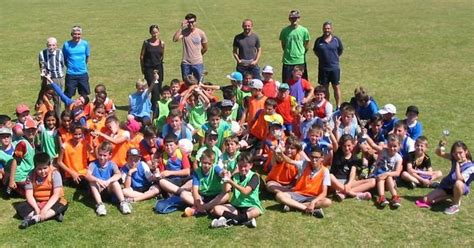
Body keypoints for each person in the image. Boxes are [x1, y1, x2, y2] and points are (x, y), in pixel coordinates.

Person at [416, 141, 473, 215]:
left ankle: (455, 205)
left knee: (458, 183)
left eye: (460, 152)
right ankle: (449, 196)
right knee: (425, 200)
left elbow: (459, 178)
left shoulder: (471, 166)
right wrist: (440, 146)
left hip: (460, 187)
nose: (458, 155)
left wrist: (457, 164)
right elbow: (439, 153)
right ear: (453, 153)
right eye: (455, 153)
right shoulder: (454, 158)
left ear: (466, 151)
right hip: (447, 186)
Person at [14, 153, 68, 229]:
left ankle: (33, 219)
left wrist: (45, 209)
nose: (42, 171)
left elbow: (56, 195)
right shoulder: (30, 175)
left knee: (63, 203)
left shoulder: (55, 174)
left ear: (50, 165)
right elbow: (29, 195)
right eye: (39, 169)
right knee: (20, 207)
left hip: (53, 201)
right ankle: (52, 215)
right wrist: (36, 208)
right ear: (35, 167)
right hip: (38, 202)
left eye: (45, 168)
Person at [275, 147, 332, 218]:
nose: (314, 160)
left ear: (322, 158)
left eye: (317, 157)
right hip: (298, 194)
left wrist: (313, 202)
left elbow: (324, 193)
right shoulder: (304, 164)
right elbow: (290, 161)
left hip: (313, 197)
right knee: (279, 195)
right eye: (312, 157)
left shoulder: (325, 171)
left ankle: (292, 206)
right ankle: (306, 208)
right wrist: (282, 154)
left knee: (327, 202)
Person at [210, 152, 263, 228]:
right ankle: (245, 221)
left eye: (245, 166)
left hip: (250, 206)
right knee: (216, 209)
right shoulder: (235, 176)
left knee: (256, 211)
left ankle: (230, 220)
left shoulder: (254, 176)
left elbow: (246, 191)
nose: (242, 168)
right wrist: (226, 179)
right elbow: (226, 190)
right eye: (240, 166)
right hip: (236, 206)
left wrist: (231, 181)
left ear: (251, 165)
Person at [85, 141, 132, 216]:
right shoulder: (93, 164)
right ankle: (100, 205)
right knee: (92, 182)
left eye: (104, 155)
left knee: (115, 182)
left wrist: (109, 181)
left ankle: (123, 203)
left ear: (110, 155)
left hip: (108, 189)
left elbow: (118, 174)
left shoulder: (112, 164)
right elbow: (87, 175)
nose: (102, 157)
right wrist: (98, 180)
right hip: (97, 189)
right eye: (100, 155)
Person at [180, 149, 229, 217]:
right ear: (200, 161)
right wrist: (199, 203)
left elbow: (221, 173)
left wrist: (224, 173)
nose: (206, 165)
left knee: (226, 195)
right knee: (183, 194)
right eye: (204, 163)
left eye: (209, 163)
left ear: (213, 163)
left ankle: (200, 208)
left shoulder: (215, 168)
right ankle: (206, 208)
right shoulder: (197, 172)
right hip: (202, 196)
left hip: (215, 195)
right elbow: (195, 191)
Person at [313, 21, 343, 108]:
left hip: (334, 68)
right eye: (325, 28)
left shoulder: (336, 40)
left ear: (331, 29)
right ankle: (327, 106)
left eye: (328, 28)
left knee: (336, 87)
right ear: (323, 29)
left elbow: (340, 51)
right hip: (323, 69)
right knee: (324, 89)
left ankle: (338, 106)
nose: (327, 30)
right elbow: (316, 51)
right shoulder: (318, 40)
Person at [173, 13, 208, 81]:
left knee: (199, 84)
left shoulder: (201, 33)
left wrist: (198, 55)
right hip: (186, 64)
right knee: (186, 84)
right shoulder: (184, 32)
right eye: (188, 22)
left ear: (195, 22)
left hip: (198, 63)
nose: (191, 24)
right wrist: (181, 27)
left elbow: (205, 47)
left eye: (192, 22)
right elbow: (175, 39)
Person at [279, 10, 310, 83]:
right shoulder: (284, 31)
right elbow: (283, 45)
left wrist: (301, 52)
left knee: (302, 83)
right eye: (292, 18)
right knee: (287, 83)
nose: (294, 20)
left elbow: (307, 45)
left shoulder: (304, 30)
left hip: (300, 61)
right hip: (288, 61)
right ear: (289, 19)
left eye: (296, 18)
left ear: (299, 18)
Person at [140, 24, 165, 117]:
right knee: (154, 89)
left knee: (158, 89)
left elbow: (162, 55)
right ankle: (155, 110)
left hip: (159, 68)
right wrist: (142, 68)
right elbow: (142, 56)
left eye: (156, 32)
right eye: (153, 32)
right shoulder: (146, 43)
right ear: (150, 33)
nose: (155, 34)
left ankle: (153, 106)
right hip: (149, 68)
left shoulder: (162, 43)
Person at [38, 37, 65, 117]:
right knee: (43, 97)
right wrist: (45, 75)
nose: (51, 47)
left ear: (56, 46)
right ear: (47, 45)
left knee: (57, 99)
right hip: (46, 78)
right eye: (49, 45)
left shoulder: (60, 52)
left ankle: (57, 118)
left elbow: (62, 65)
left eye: (53, 45)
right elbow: (42, 66)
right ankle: (43, 116)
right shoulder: (42, 53)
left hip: (57, 79)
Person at [62, 25, 90, 98]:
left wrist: (83, 66)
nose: (76, 36)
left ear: (81, 35)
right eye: (75, 34)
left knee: (84, 95)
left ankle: (84, 109)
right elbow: (64, 58)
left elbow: (87, 57)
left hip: (83, 73)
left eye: (78, 34)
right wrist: (69, 66)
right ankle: (68, 109)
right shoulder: (66, 45)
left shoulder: (85, 44)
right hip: (71, 74)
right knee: (68, 95)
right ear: (71, 34)